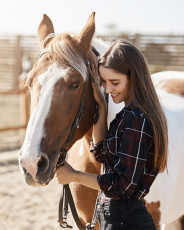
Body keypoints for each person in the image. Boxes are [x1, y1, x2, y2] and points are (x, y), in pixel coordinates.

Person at [55, 39, 168, 230]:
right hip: (119, 218)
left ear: (134, 78)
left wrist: (74, 175)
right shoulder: (126, 116)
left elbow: (123, 185)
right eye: (104, 82)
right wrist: (100, 106)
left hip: (126, 221)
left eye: (115, 82)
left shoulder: (135, 120)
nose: (108, 89)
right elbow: (101, 155)